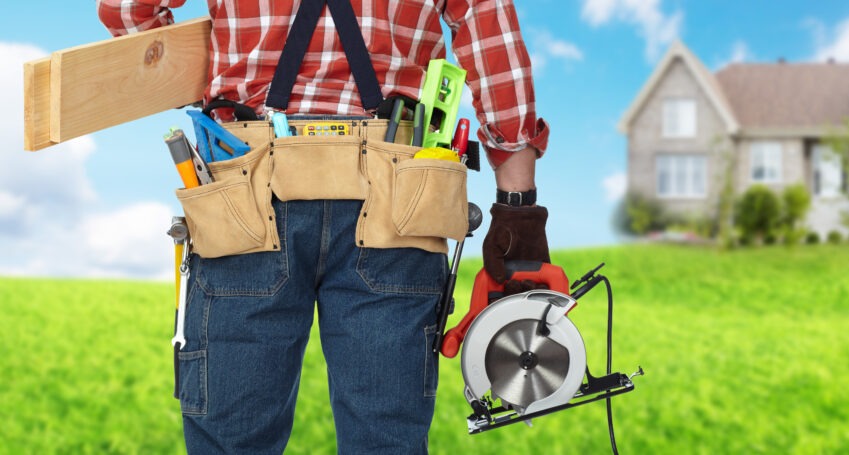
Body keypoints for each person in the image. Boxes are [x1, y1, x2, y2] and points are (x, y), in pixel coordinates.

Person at [98, 0, 551, 453]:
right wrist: (517, 205)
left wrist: (216, 75)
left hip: (244, 181)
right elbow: (492, 35)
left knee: (230, 439)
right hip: (397, 189)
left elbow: (126, 9)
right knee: (385, 440)